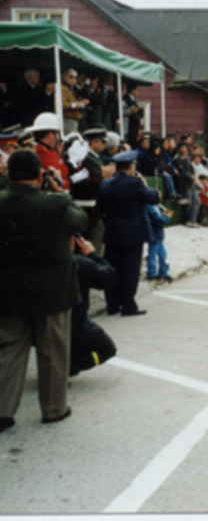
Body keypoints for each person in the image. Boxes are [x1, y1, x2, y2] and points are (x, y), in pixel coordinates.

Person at [0, 149, 89, 431]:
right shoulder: (56, 204)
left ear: (7, 174)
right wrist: (59, 191)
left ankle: (3, 409)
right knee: (53, 351)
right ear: (40, 175)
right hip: (53, 290)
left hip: (9, 289)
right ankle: (53, 408)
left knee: (10, 349)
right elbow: (80, 220)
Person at [97, 150, 160, 316]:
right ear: (131, 167)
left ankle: (112, 304)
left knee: (113, 268)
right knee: (130, 270)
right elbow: (153, 198)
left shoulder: (105, 184)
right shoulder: (135, 183)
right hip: (133, 231)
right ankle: (128, 305)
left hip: (113, 230)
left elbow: (100, 208)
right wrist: (145, 185)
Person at [70, 235, 117, 377]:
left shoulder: (33, 261)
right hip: (75, 326)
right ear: (72, 241)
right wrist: (92, 254)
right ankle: (70, 365)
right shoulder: (78, 263)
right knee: (107, 349)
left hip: (36, 326)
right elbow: (108, 277)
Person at [146, 202, 174, 282]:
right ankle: (152, 273)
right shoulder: (150, 206)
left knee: (162, 254)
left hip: (157, 235)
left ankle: (163, 272)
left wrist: (163, 215)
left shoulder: (155, 206)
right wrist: (166, 217)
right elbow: (157, 220)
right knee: (153, 254)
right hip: (154, 235)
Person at [61, 69, 89, 135]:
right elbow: (61, 104)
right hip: (68, 119)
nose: (73, 79)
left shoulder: (73, 88)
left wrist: (82, 103)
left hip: (76, 118)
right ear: (65, 77)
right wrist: (75, 105)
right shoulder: (62, 88)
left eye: (75, 78)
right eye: (71, 77)